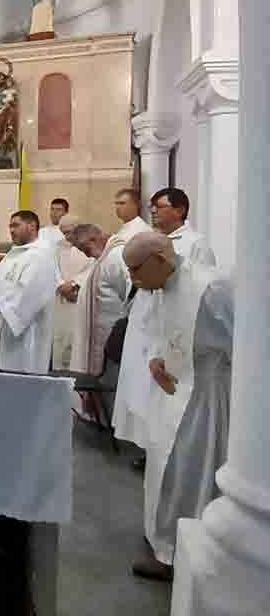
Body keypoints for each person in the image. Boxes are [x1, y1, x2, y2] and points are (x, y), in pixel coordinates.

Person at [121, 232, 233, 582]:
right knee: (162, 466)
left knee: (189, 472)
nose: (133, 280)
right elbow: (160, 331)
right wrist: (156, 358)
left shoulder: (211, 288)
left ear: (159, 259)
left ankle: (179, 555)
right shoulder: (161, 287)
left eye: (135, 269)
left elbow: (243, 344)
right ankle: (160, 539)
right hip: (169, 392)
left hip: (203, 397)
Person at [115, 187, 215, 452]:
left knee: (168, 397)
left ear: (180, 209)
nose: (154, 212)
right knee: (145, 388)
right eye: (152, 207)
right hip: (149, 322)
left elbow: (197, 297)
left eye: (159, 206)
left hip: (177, 331)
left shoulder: (195, 244)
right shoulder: (151, 239)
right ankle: (148, 445)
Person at [0, 211, 56, 373]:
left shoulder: (40, 256)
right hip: (0, 323)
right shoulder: (14, 254)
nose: (11, 230)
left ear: (32, 226)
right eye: (10, 226)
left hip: (24, 334)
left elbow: (31, 293)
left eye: (16, 225)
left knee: (18, 374)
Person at [68, 223, 131, 381]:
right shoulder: (104, 257)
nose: (88, 256)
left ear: (92, 239)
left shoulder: (118, 256)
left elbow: (131, 297)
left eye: (85, 250)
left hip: (113, 346)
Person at [52, 214, 93, 371]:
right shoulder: (57, 247)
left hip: (79, 297)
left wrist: (76, 283)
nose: (66, 236)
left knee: (76, 340)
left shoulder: (89, 245)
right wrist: (61, 285)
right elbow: (51, 268)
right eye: (63, 233)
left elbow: (94, 266)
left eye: (69, 232)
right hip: (60, 300)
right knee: (60, 340)